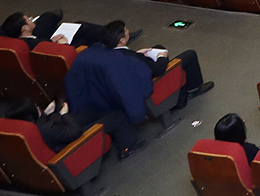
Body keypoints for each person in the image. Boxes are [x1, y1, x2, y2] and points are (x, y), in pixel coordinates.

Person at [64, 20, 212, 155]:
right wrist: (162, 57)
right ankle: (194, 89)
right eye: (126, 30)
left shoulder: (93, 53)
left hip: (104, 97)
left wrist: (136, 53)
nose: (128, 30)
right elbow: (158, 70)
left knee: (157, 48)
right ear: (121, 40)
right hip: (152, 86)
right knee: (189, 55)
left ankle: (183, 93)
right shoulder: (130, 60)